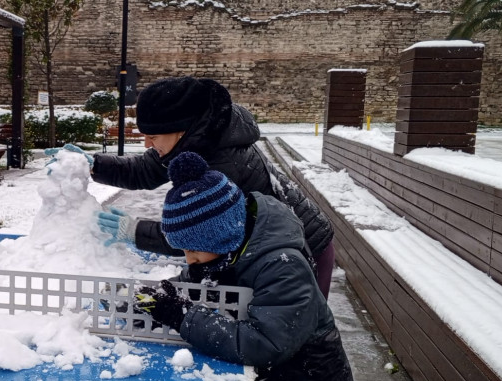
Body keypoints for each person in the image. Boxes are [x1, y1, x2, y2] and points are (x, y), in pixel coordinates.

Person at [135, 152, 360, 381]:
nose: (189, 260)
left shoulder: (283, 267)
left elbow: (264, 343)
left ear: (221, 237)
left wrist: (182, 316)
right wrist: (157, 299)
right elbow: (195, 283)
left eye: (193, 250)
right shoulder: (228, 252)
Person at [58, 76, 335, 297]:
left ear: (182, 130)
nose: (146, 145)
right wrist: (93, 165)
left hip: (298, 255)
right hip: (262, 246)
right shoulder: (195, 140)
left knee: (292, 342)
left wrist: (135, 232)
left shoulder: (221, 164)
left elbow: (202, 236)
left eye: (152, 136)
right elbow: (145, 169)